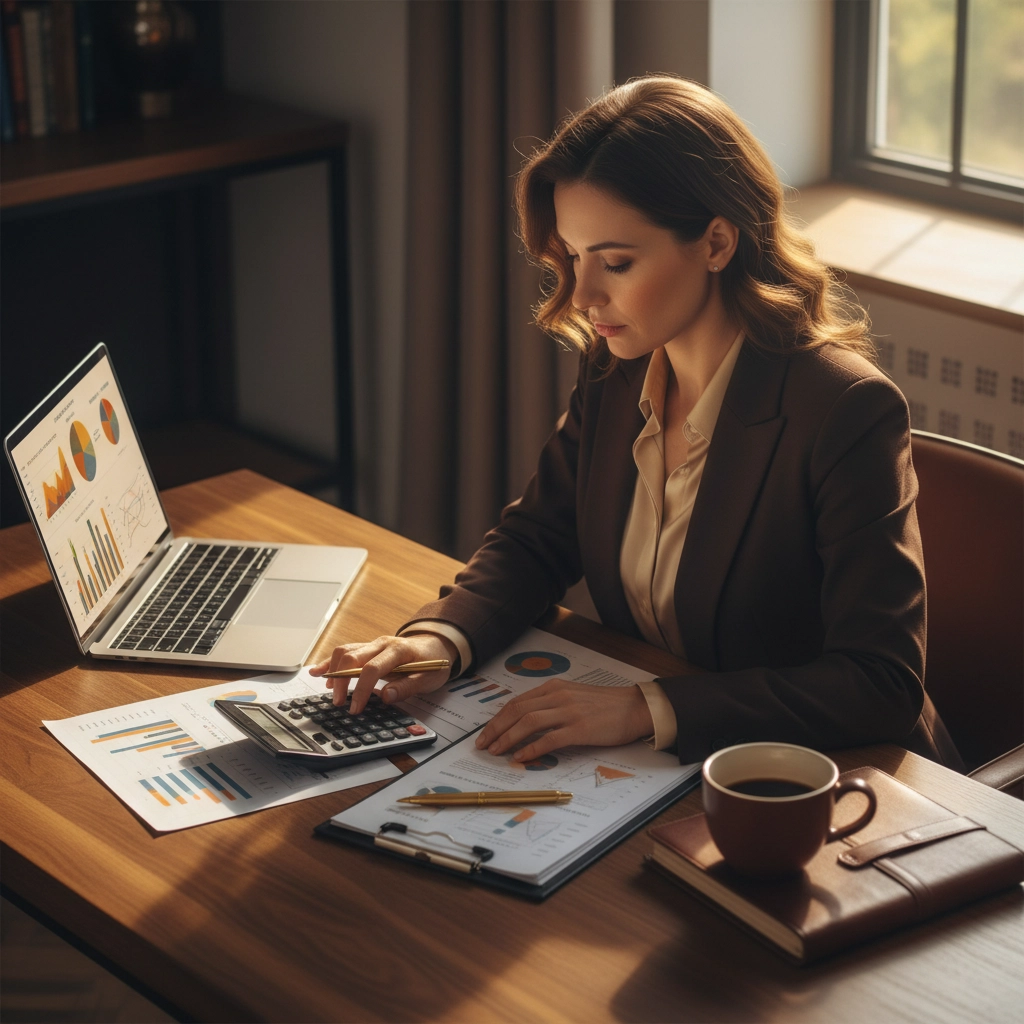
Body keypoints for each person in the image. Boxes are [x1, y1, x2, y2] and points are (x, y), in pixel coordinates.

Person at [311, 76, 961, 770]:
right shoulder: (616, 369)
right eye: (572, 256)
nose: (584, 296)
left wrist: (645, 708)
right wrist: (441, 640)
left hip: (824, 787)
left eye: (616, 262)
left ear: (716, 243)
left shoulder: (845, 409)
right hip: (662, 769)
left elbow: (880, 684)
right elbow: (539, 537)